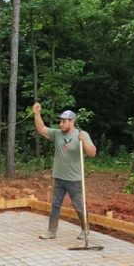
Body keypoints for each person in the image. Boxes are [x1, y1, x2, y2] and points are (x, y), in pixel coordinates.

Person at [32, 103, 97, 240]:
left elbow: (92, 153)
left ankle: (85, 230)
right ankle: (51, 231)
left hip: (74, 179)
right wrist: (37, 114)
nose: (60, 124)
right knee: (55, 205)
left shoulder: (81, 134)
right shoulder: (57, 134)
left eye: (63, 121)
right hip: (59, 178)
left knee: (79, 206)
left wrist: (84, 141)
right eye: (60, 121)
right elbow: (41, 129)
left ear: (72, 121)